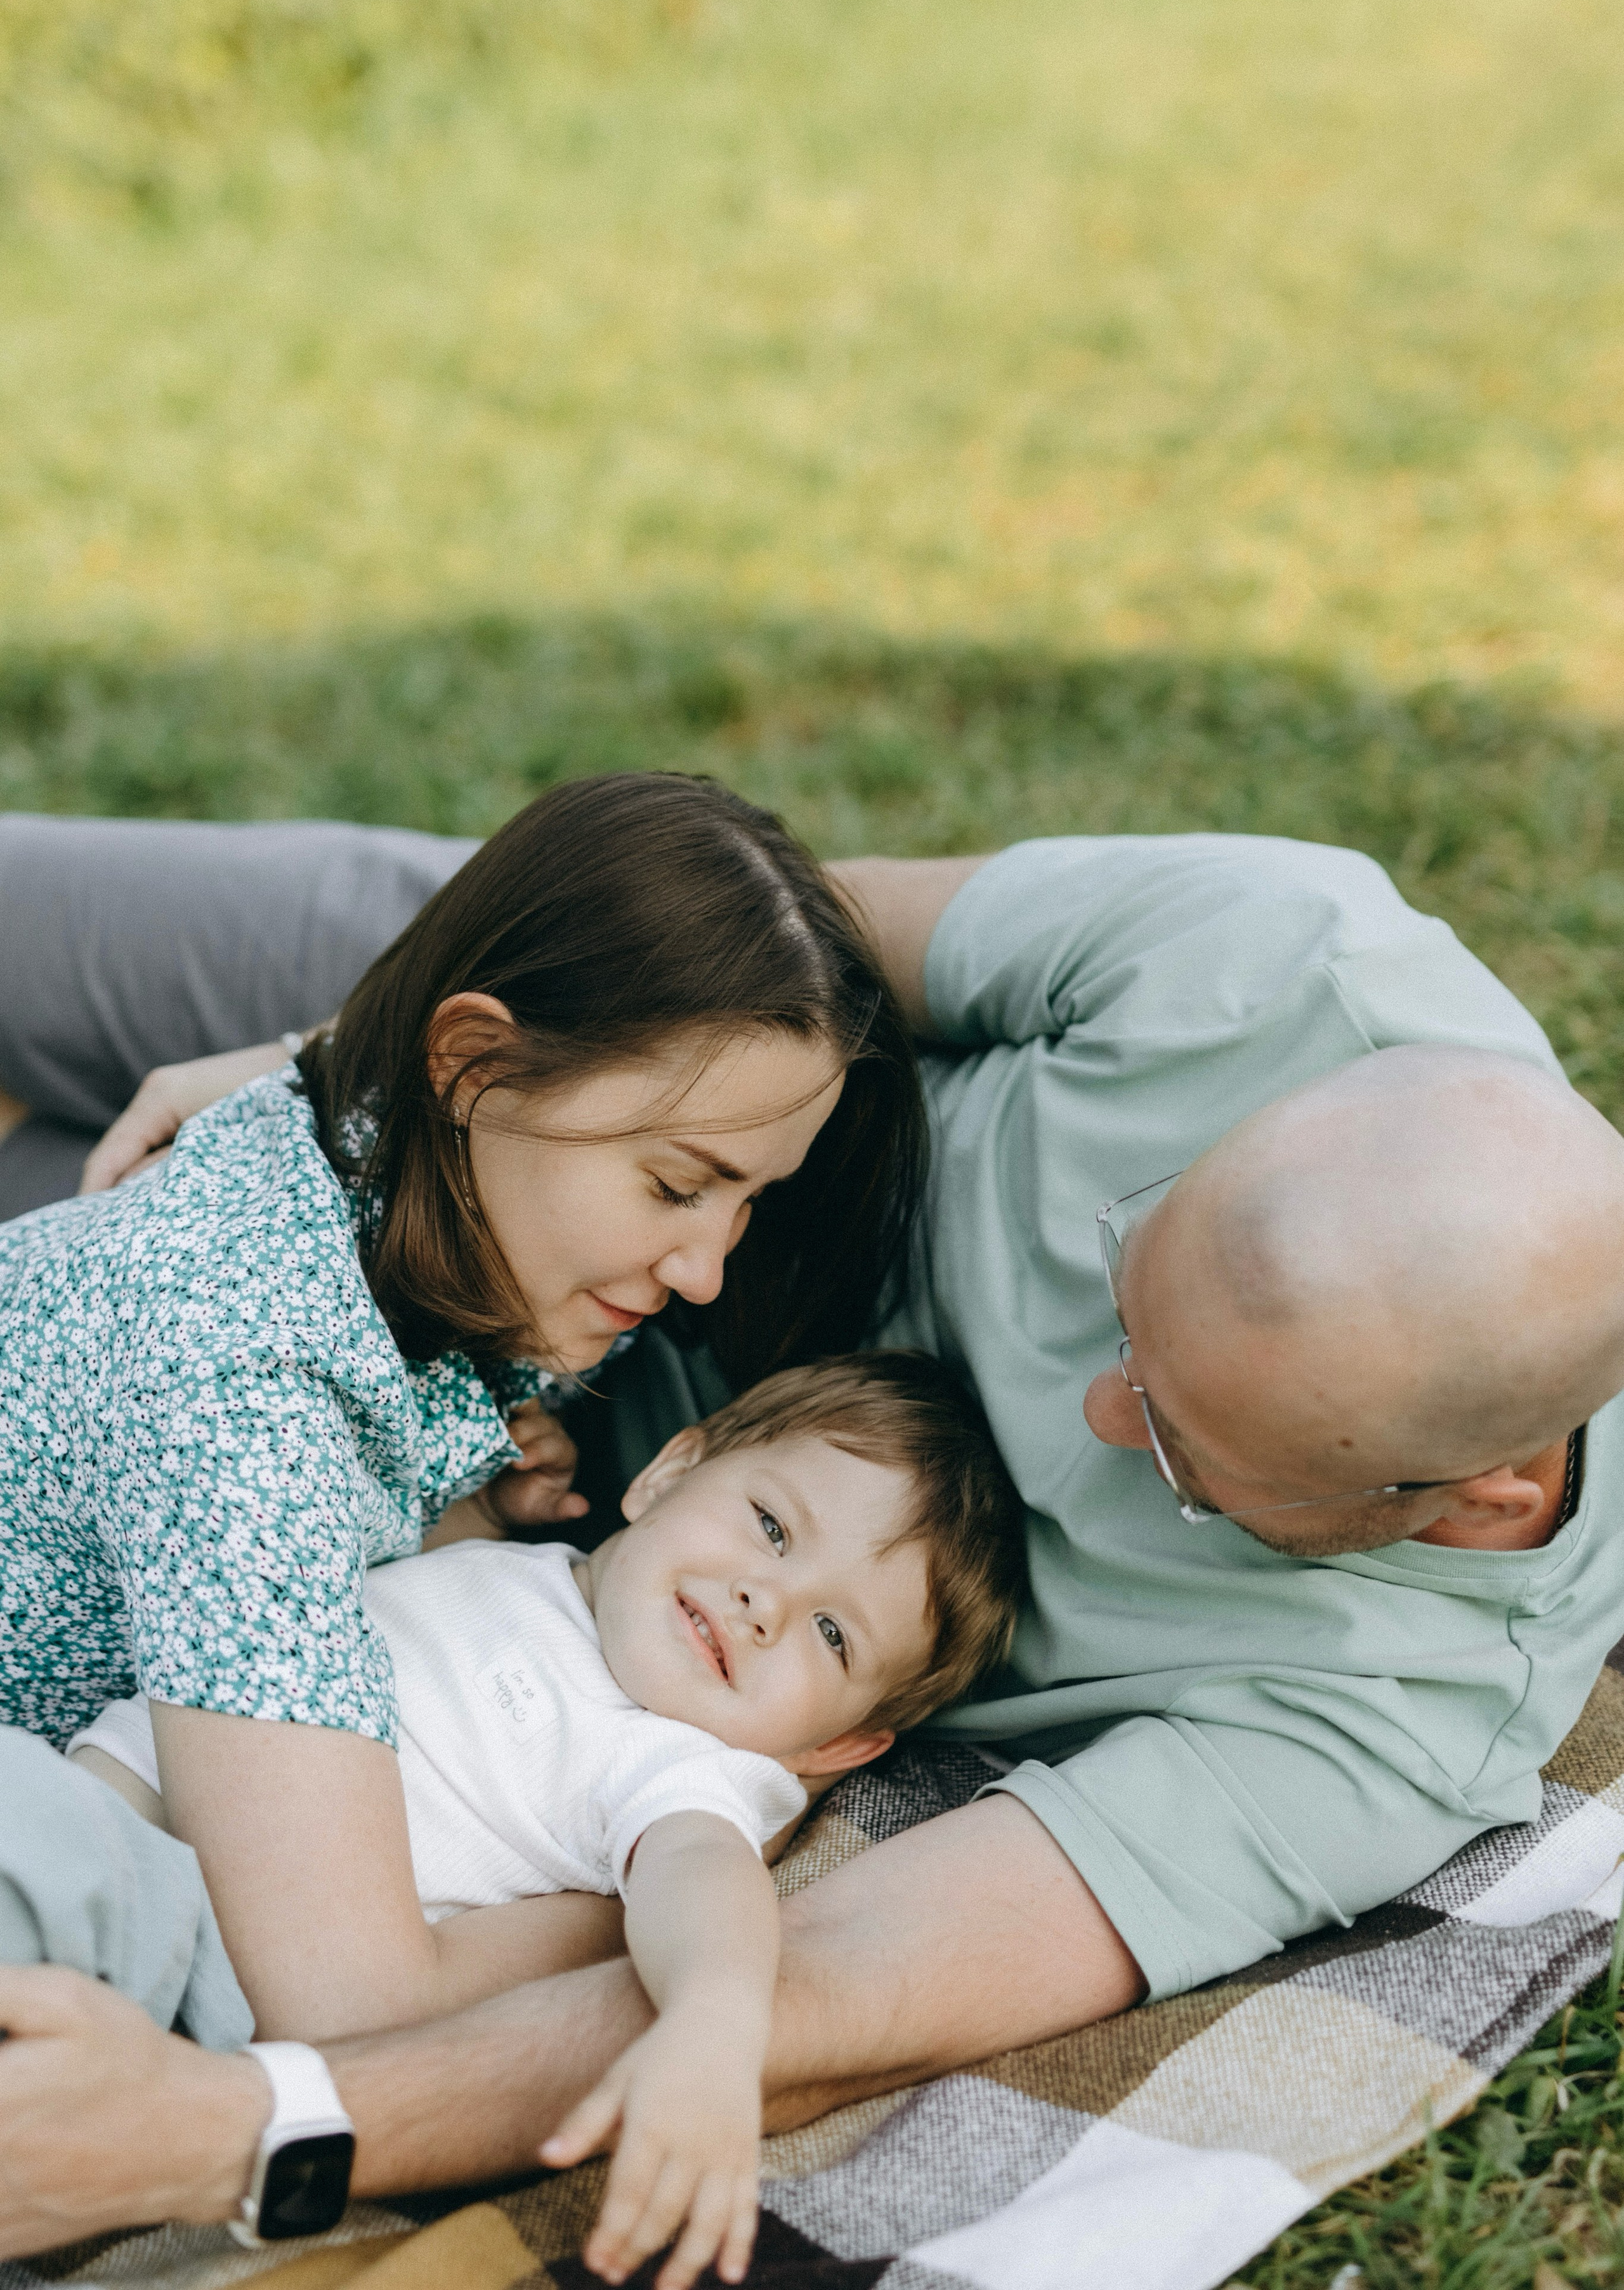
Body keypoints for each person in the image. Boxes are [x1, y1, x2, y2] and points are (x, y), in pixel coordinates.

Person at [8, 820, 1624, 2258]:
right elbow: (798, 955)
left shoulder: (1397, 1713)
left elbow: (831, 1987)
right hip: (606, 1107)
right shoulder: (1279, 962)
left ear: (1472, 1495)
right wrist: (354, 1070)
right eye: (1125, 1295)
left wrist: (251, 2129)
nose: (1091, 1412)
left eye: (1187, 1454)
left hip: (485, 1415)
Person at [0, 775, 924, 2049]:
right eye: (673, 1185)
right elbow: (345, 1998)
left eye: (747, 1201)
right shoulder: (235, 1379)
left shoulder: (414, 1176)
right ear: (475, 1065)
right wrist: (656, 1876)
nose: (708, 1269)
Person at [67, 1352, 1024, 2290]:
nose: (764, 1602)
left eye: (832, 1635)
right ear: (668, 1473)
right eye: (771, 1526)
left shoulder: (679, 1763)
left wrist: (718, 2022)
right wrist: (477, 1514)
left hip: (167, 1905)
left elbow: (704, 1879)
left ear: (838, 1747)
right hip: (112, 1793)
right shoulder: (541, 1572)